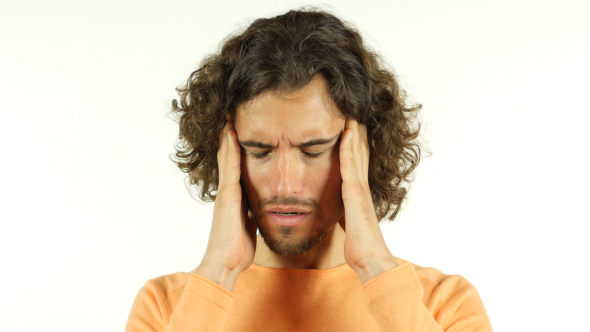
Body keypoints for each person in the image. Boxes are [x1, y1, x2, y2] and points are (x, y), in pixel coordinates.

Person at [125, 8, 492, 332]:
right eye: (259, 151)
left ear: (364, 151)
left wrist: (375, 265)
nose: (285, 184)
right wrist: (220, 270)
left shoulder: (444, 306)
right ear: (226, 155)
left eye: (313, 151)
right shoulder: (166, 309)